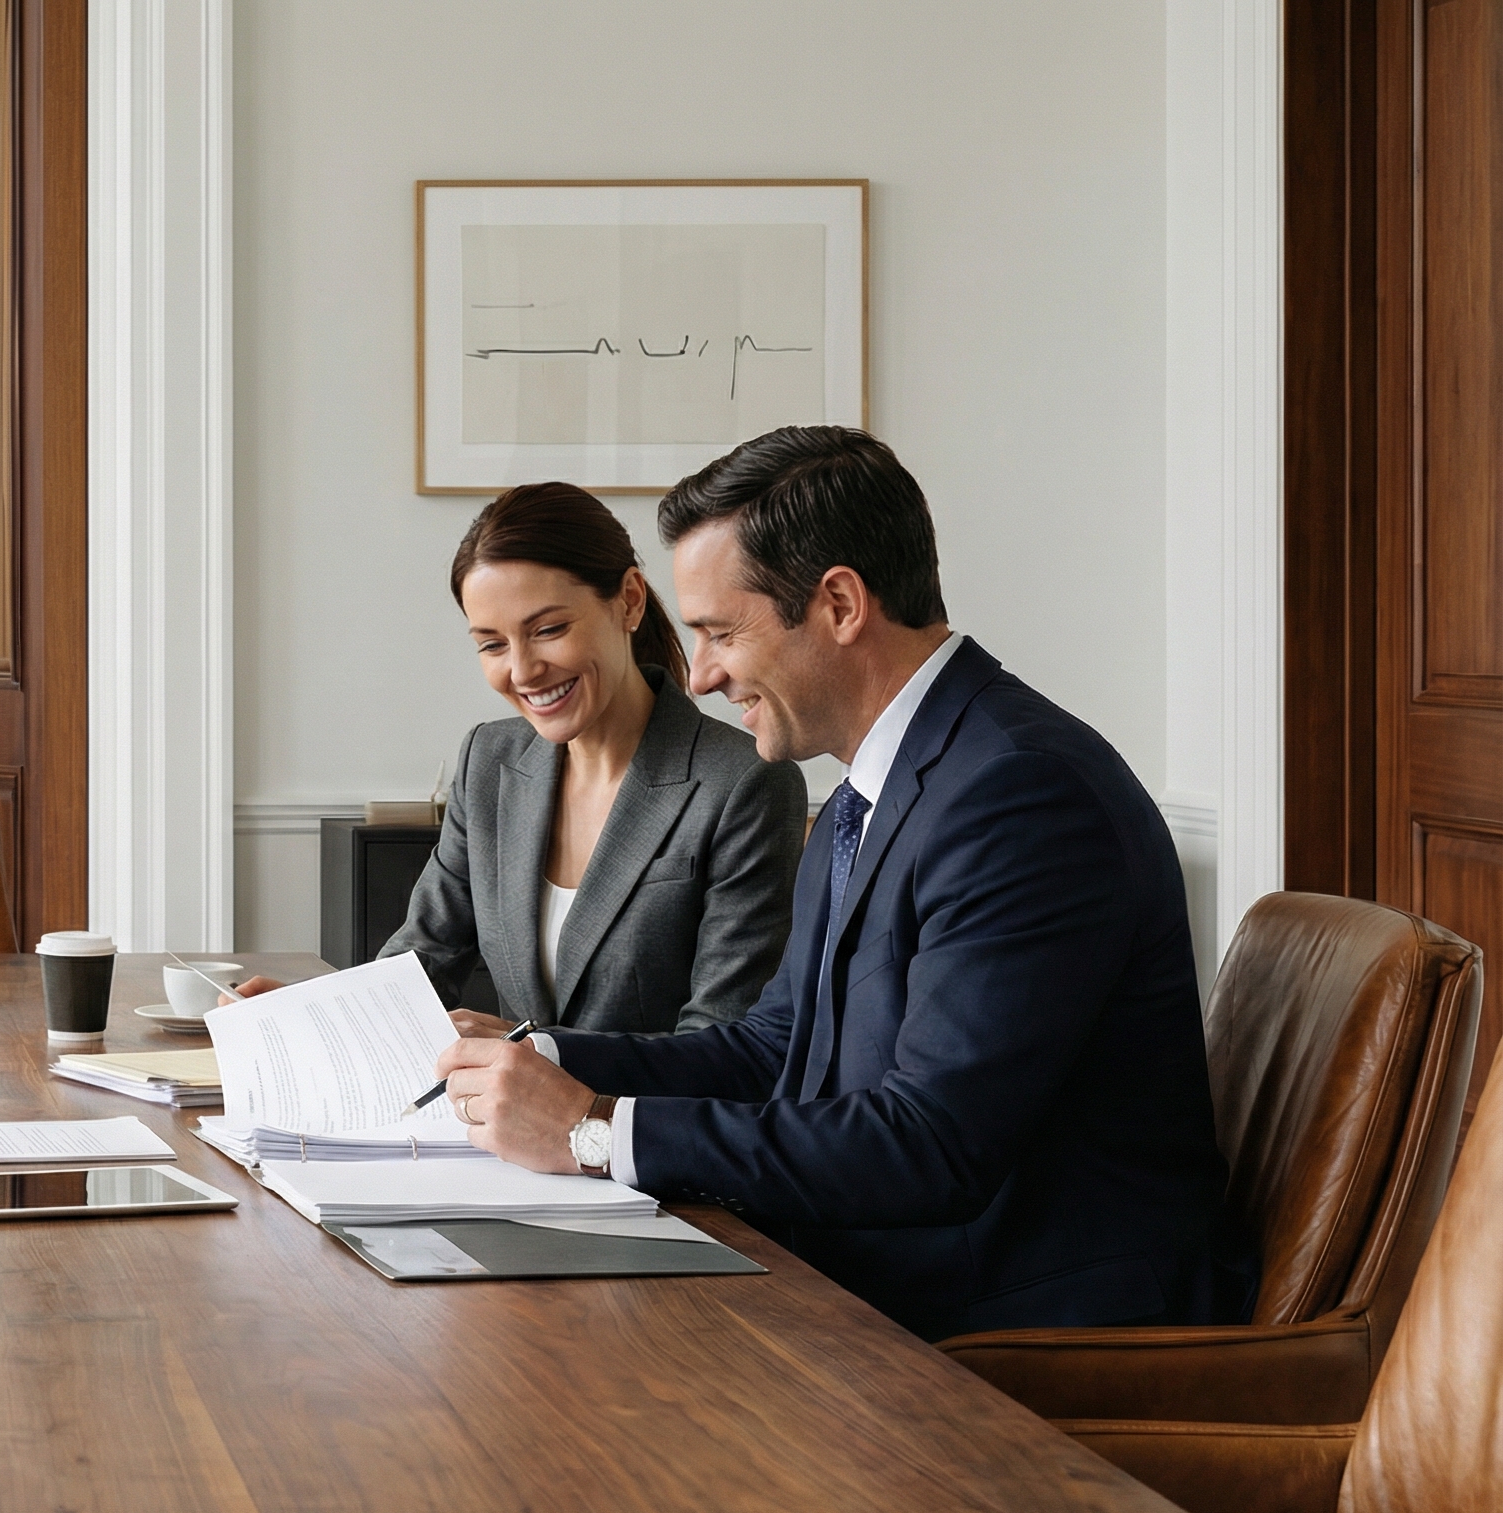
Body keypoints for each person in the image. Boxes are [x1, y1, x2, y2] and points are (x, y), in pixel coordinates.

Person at [433, 427, 1235, 1340]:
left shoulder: (1021, 794)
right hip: (882, 1280)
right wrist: (547, 1057)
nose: (697, 676)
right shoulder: (877, 783)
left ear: (841, 603)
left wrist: (591, 1134)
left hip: (1017, 1326)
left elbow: (930, 1147)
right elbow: (774, 1049)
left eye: (721, 632)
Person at [354, 483, 806, 1038]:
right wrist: (311, 1019)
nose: (521, 671)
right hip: (498, 1123)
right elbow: (422, 959)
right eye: (492, 644)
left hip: (643, 1122)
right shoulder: (489, 760)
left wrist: (540, 1057)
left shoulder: (744, 782)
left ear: (630, 601)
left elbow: (722, 1038)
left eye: (548, 630)